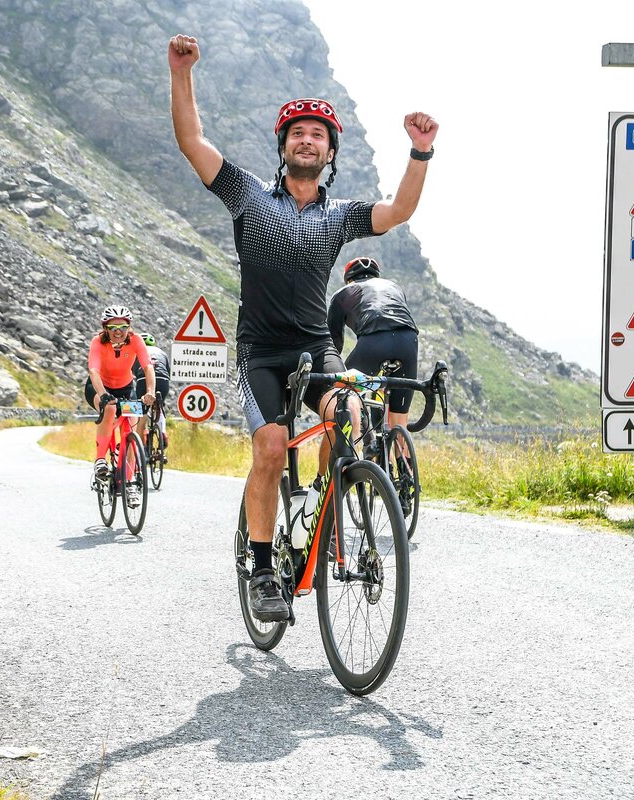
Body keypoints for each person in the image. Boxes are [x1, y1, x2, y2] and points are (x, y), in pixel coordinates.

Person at [169, 33, 438, 621]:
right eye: (298, 133)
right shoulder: (247, 196)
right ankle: (263, 567)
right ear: (285, 147)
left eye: (318, 134)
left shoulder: (340, 216)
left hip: (315, 348)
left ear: (330, 153)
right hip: (261, 352)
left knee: (351, 414)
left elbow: (398, 212)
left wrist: (420, 153)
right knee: (269, 446)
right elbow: (192, 141)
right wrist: (181, 72)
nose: (307, 139)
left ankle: (325, 505)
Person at [327, 256, 420, 442]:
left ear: (349, 279)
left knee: (342, 389)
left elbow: (333, 344)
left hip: (373, 342)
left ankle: (367, 438)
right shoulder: (394, 287)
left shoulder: (343, 293)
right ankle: (404, 469)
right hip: (408, 341)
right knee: (399, 421)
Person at [87, 305, 156, 507]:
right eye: (113, 327)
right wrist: (103, 395)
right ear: (106, 328)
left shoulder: (136, 341)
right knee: (109, 408)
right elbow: (93, 371)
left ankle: (130, 483)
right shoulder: (98, 342)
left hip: (126, 389)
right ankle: (100, 460)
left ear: (129, 327)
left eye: (123, 326)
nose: (118, 331)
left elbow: (147, 366)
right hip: (99, 387)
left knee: (131, 429)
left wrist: (150, 391)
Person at [132, 333, 171, 447]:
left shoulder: (137, 353)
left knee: (141, 412)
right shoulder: (161, 352)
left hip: (144, 379)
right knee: (159, 406)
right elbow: (168, 370)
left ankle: (141, 448)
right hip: (163, 379)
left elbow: (132, 373)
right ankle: (162, 431)